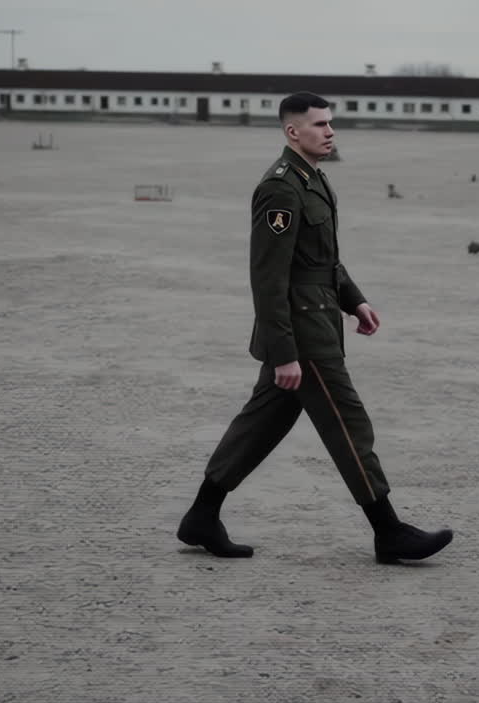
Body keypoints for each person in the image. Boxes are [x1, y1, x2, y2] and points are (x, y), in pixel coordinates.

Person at [177, 91, 454, 565]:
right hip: (303, 335)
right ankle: (388, 531)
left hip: (319, 320)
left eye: (330, 123)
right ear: (292, 132)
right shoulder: (281, 188)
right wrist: (284, 352)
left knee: (260, 426)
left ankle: (203, 514)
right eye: (319, 124)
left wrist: (356, 300)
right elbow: (268, 278)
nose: (329, 131)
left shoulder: (312, 181)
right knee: (348, 424)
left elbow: (323, 260)